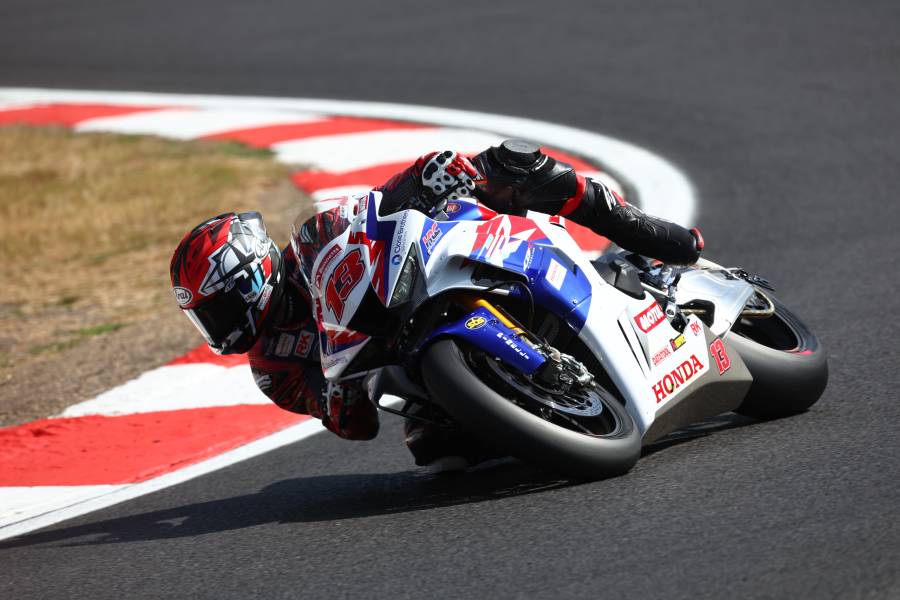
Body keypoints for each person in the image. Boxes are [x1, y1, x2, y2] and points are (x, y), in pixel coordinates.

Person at [169, 139, 703, 468]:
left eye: (216, 308)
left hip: (434, 266)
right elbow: (355, 426)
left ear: (250, 274)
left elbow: (377, 205)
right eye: (204, 317)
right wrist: (337, 398)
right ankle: (539, 413)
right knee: (435, 452)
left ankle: (654, 239)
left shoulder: (314, 240)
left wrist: (427, 177)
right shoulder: (271, 368)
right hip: (408, 366)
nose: (215, 325)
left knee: (513, 165)